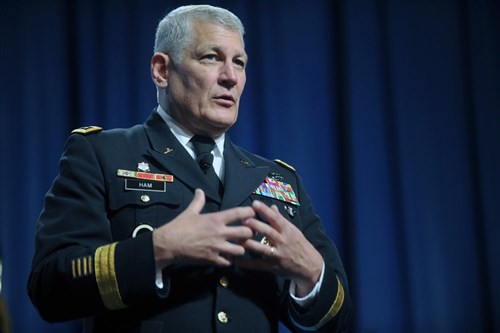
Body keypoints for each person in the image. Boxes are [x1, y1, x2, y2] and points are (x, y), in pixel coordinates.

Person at [28, 4, 352, 333]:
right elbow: (50, 286)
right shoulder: (102, 154)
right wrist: (157, 251)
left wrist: (311, 273)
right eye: (211, 57)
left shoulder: (279, 180)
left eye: (239, 62)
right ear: (162, 71)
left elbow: (337, 318)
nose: (231, 76)